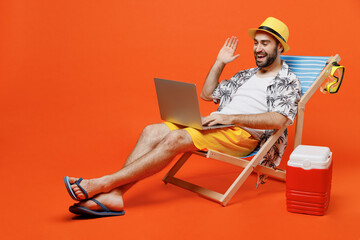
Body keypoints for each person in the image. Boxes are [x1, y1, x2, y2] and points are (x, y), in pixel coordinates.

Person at [64, 17, 301, 217]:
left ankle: (104, 184)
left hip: (242, 135)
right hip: (217, 124)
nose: (258, 49)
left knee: (176, 139)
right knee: (151, 130)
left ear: (280, 47)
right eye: (256, 43)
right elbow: (207, 94)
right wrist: (219, 62)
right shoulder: (245, 74)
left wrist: (232, 119)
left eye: (265, 44)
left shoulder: (287, 80)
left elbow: (279, 119)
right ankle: (115, 197)